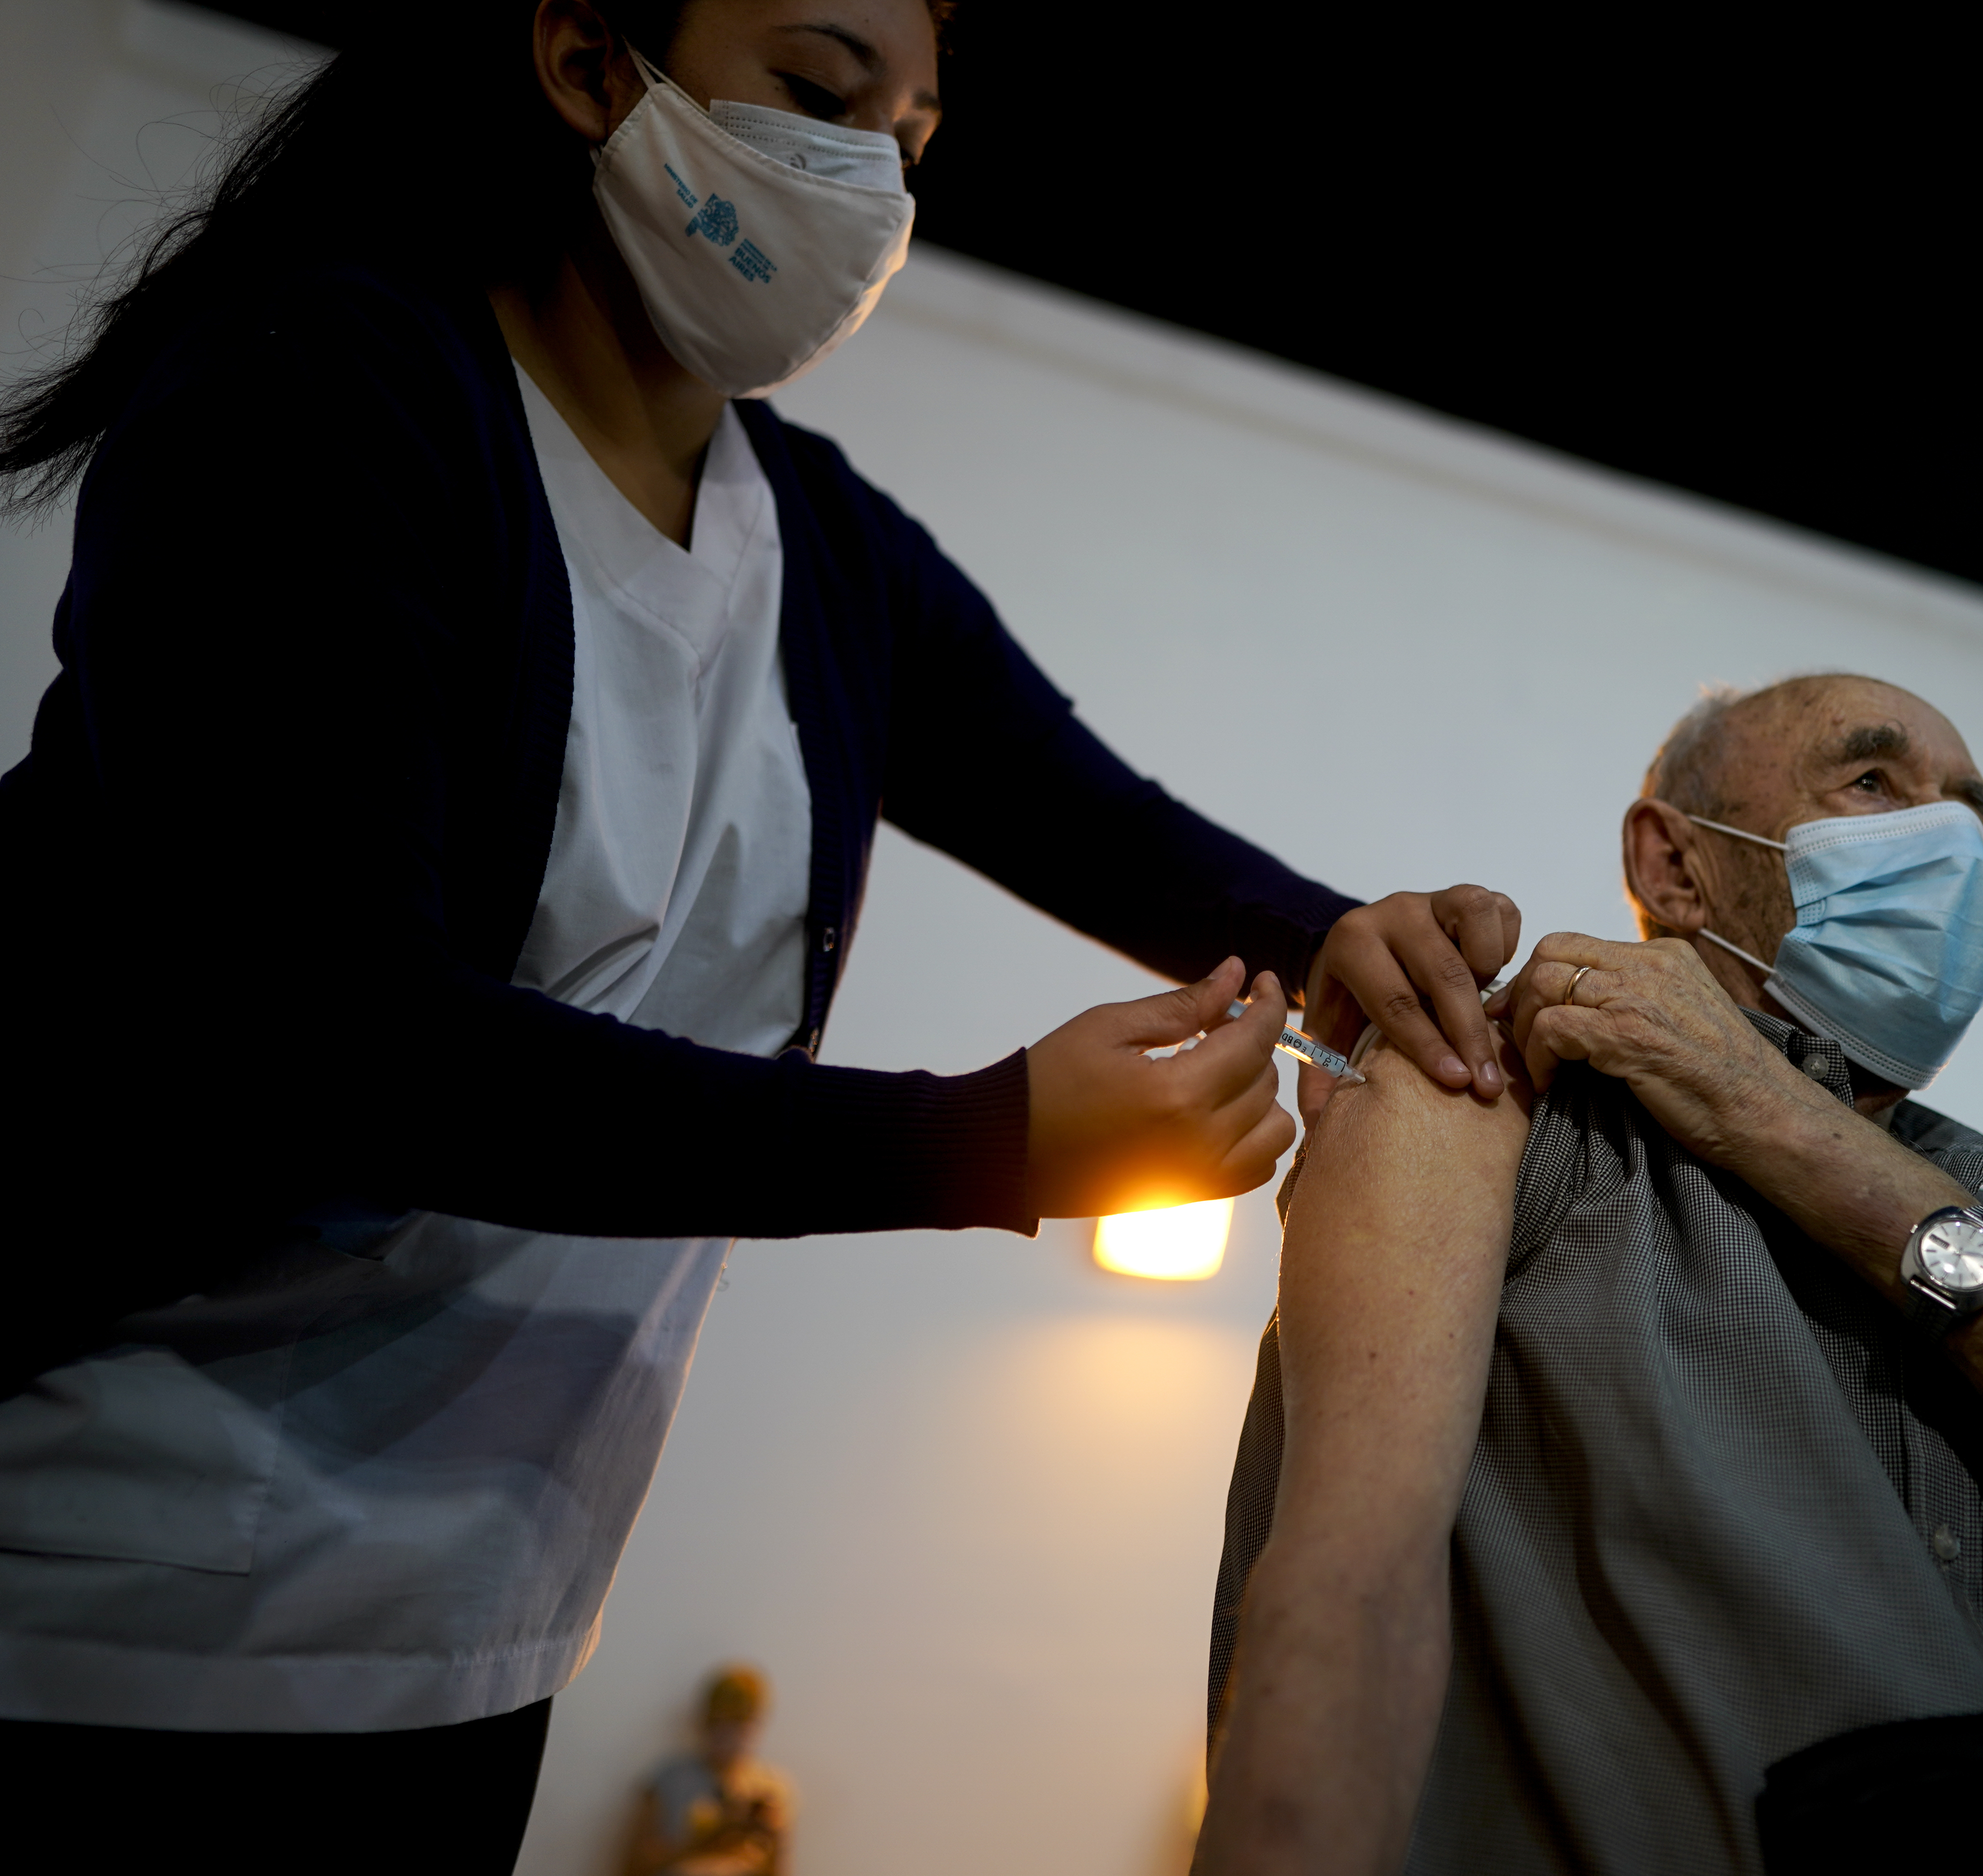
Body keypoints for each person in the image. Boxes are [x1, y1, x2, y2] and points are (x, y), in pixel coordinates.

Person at [0, 1, 1518, 1867]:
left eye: (913, 133)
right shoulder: (316, 397)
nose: (868, 179)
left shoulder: (799, 532)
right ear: (581, 60)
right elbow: (348, 1041)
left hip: (467, 1636)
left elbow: (1073, 801)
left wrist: (1337, 934)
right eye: (817, 95)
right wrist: (990, 1143)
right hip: (105, 1601)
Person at [1194, 674, 1983, 1876]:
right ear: (1674, 867)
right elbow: (1343, 1599)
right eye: (1873, 782)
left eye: (1974, 816)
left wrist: (1769, 1112)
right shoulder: (1506, 1095)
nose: (1950, 847)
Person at [626, 1665, 796, 1876]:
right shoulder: (669, 1780)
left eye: (740, 1724)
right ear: (704, 1722)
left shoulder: (770, 1789)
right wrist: (706, 1843)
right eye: (719, 1722)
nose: (728, 1736)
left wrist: (775, 1840)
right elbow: (633, 1866)